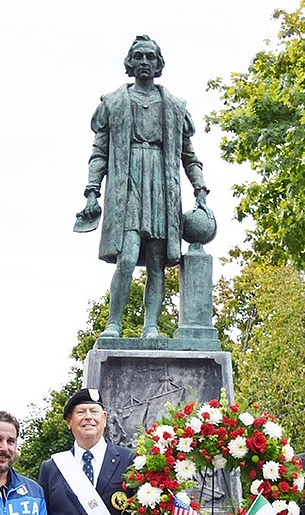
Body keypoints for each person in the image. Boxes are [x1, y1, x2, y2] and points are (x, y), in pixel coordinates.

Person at [75, 35, 209, 339]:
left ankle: (151, 326)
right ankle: (114, 323)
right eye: (139, 57)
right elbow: (99, 153)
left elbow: (188, 155)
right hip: (127, 184)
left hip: (162, 184)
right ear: (130, 63)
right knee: (126, 255)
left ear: (159, 64)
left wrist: (199, 187)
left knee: (156, 261)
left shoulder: (174, 106)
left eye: (151, 57)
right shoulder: (114, 103)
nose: (145, 62)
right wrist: (92, 191)